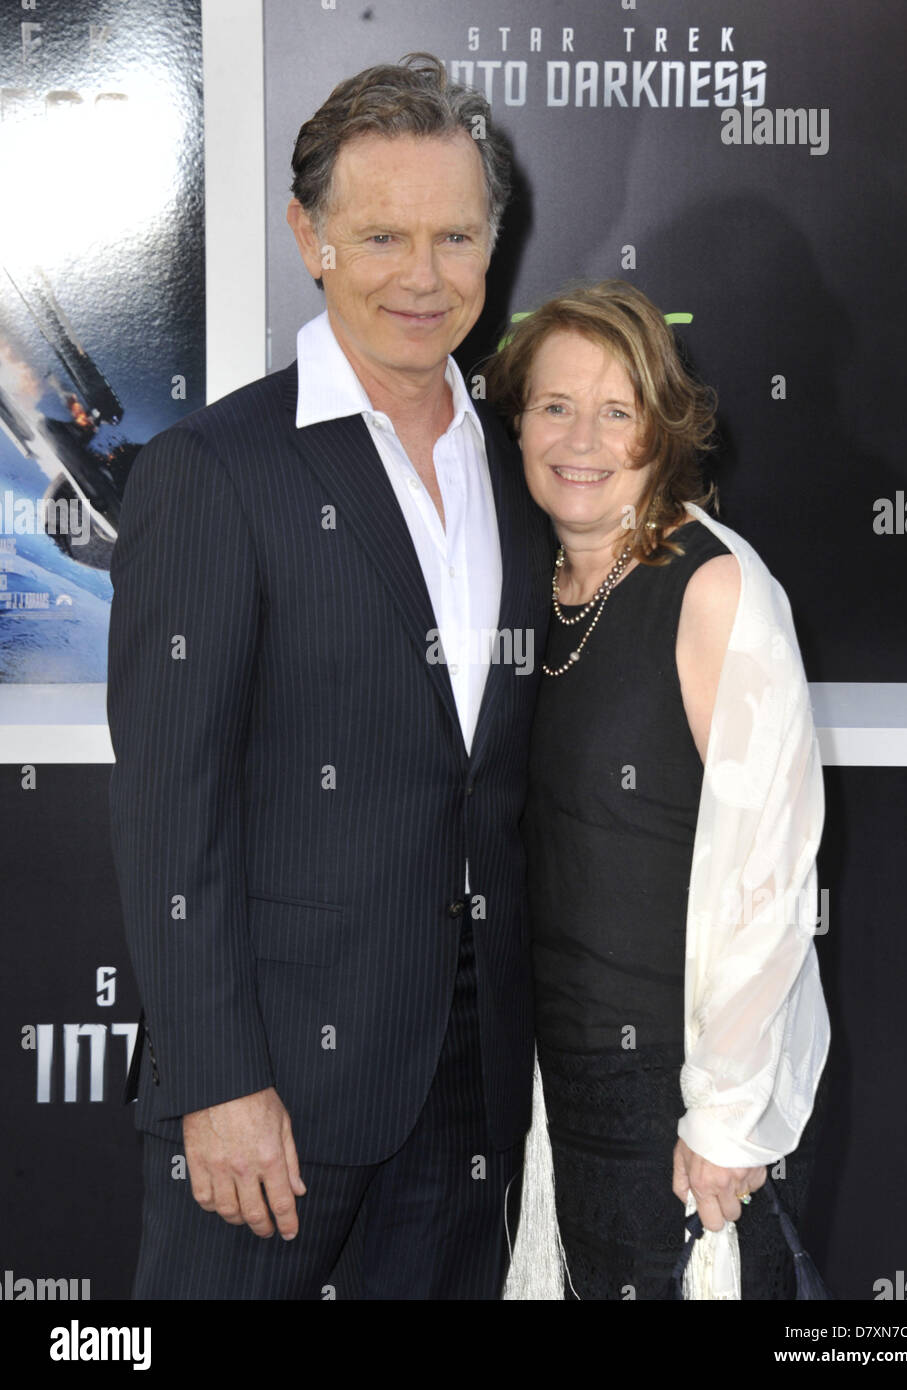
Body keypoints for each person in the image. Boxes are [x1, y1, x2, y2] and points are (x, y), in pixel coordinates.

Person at [107, 53, 552, 1301]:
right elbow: (167, 807)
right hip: (272, 1092)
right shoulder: (215, 468)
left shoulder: (523, 470)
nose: (423, 274)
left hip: (475, 1083)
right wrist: (213, 1077)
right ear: (308, 236)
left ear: (492, 242)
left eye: (455, 234)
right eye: (381, 235)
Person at [486, 281, 830, 1300]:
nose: (578, 437)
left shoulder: (713, 587)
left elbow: (767, 874)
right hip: (552, 1081)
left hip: (673, 1094)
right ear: (515, 421)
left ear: (661, 431)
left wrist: (722, 1119)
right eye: (552, 405)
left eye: (614, 409)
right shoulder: (527, 589)